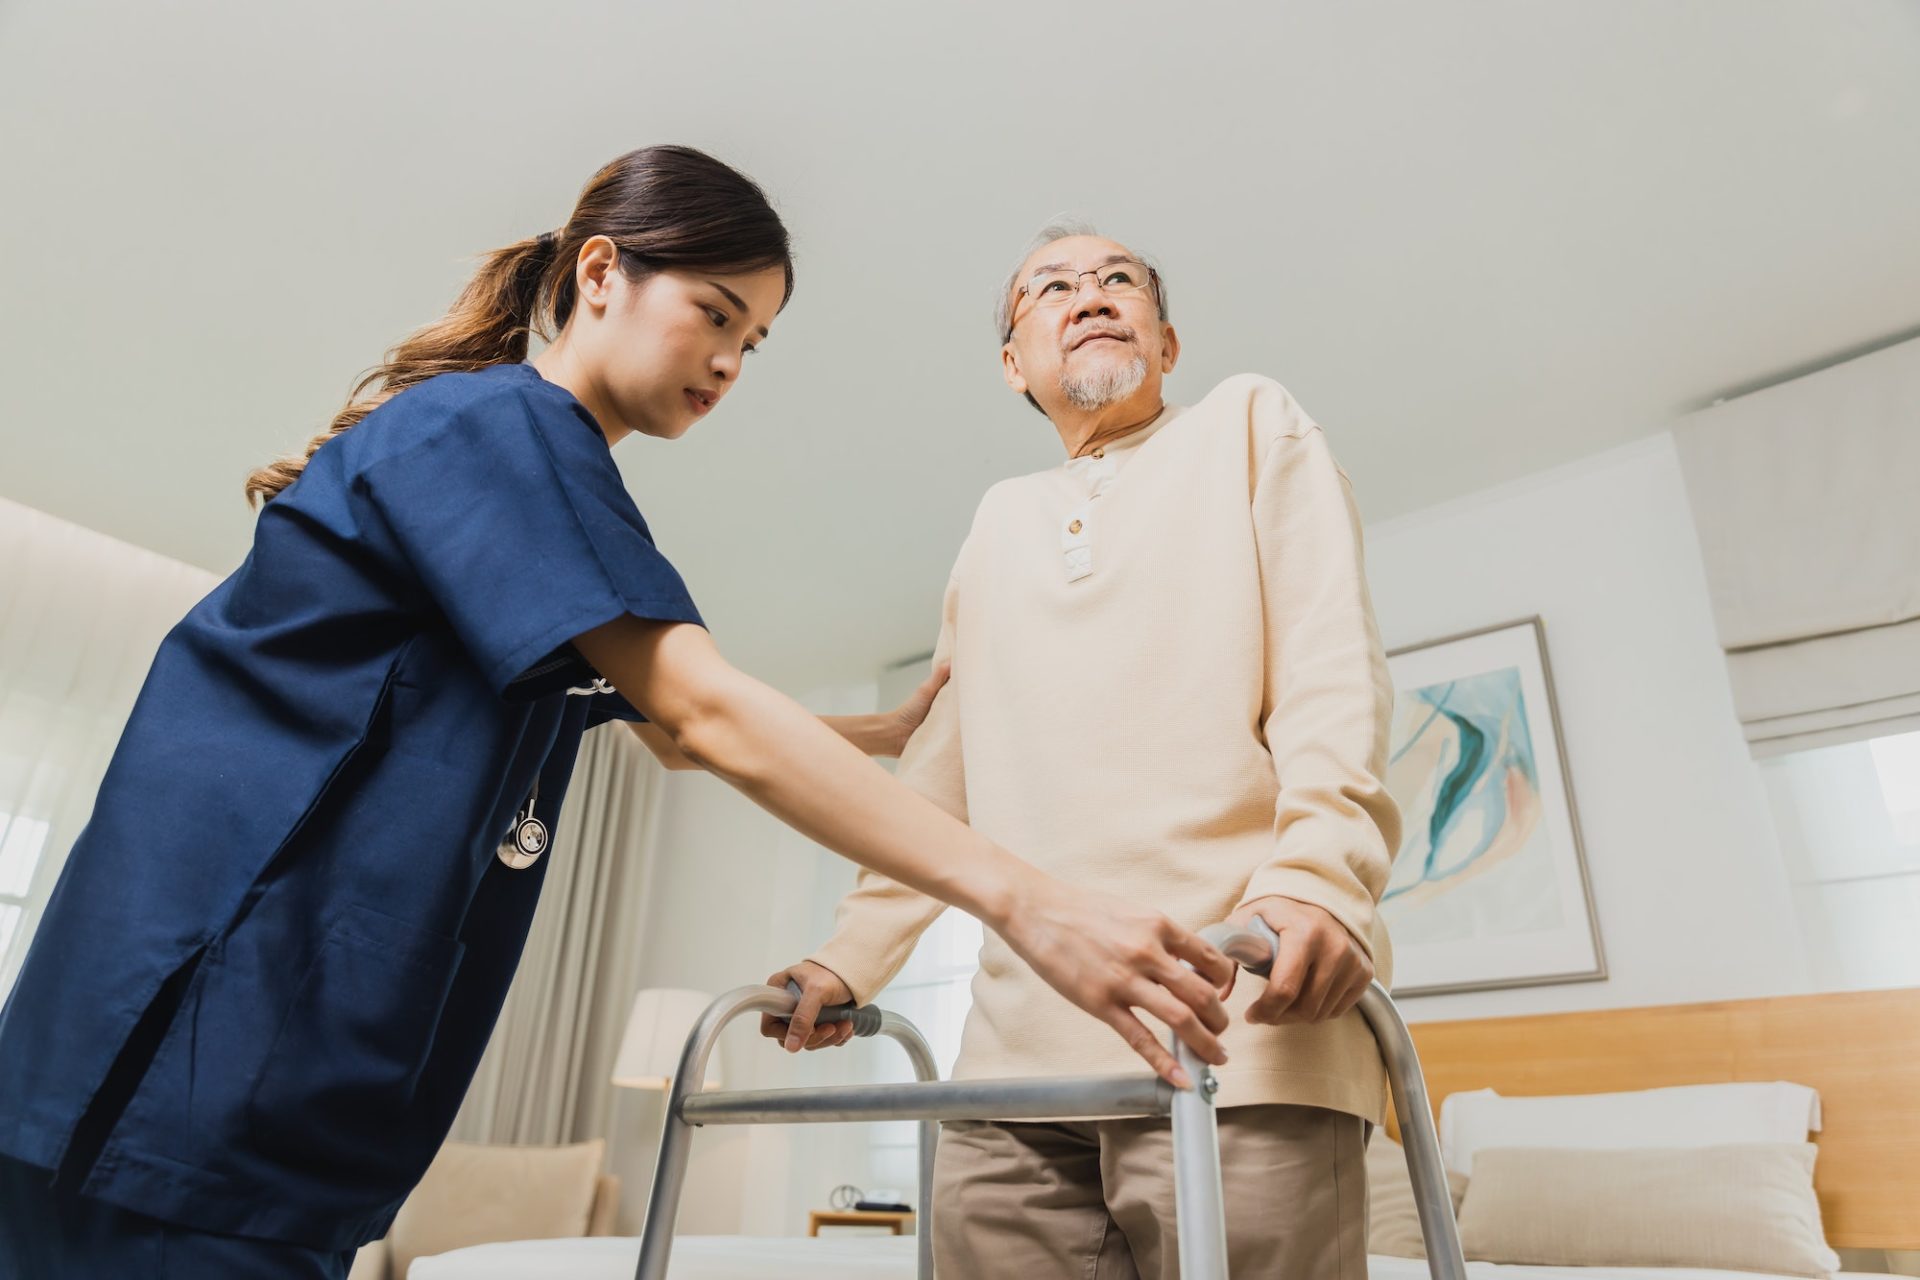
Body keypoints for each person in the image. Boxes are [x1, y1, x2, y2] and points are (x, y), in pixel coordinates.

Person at [0, 156, 1232, 1279]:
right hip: (197, 1064)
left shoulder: (523, 471)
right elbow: (697, 708)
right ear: (601, 272)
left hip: (250, 1093)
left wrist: (887, 728)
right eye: (716, 315)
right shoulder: (499, 427)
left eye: (754, 343)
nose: (732, 365)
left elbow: (651, 720)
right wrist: (1028, 899)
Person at [768, 222, 1402, 1279]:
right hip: (1012, 1069)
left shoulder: (1252, 422)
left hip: (1238, 1022)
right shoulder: (997, 520)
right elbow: (937, 777)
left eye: (1121, 281)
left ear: (1168, 341)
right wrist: (853, 955)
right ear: (1014, 362)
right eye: (1050, 287)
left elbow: (1333, 665)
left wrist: (1325, 880)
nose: (1093, 294)